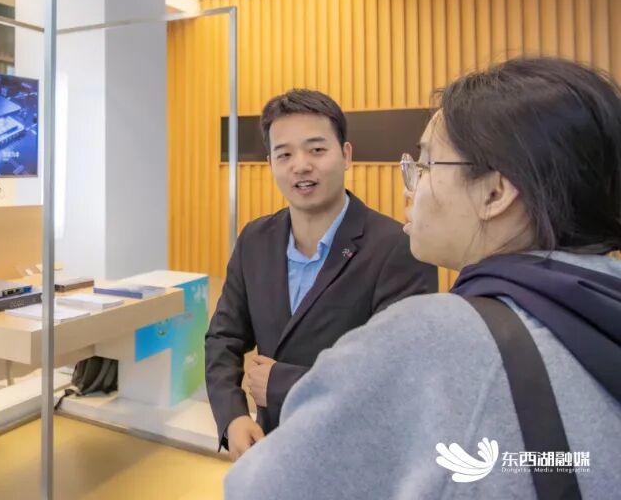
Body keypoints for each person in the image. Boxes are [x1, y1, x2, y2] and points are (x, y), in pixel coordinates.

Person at [225, 57, 621, 499]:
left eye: (427, 164)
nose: (409, 186)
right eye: (284, 154)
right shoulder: (598, 301)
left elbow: (258, 487)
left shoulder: (435, 331)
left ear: (494, 192)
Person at [205, 89, 437, 459]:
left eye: (316, 149)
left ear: (346, 155)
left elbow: (400, 374)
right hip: (272, 447)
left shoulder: (399, 248)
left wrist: (281, 383)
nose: (300, 165)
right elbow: (224, 336)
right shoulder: (255, 239)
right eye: (284, 154)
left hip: (356, 456)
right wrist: (232, 416)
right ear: (271, 163)